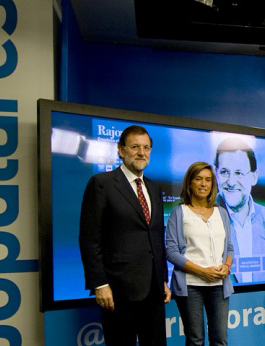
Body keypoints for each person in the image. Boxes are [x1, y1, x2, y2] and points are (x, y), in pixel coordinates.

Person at [79, 125, 171, 346]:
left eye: (146, 147)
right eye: (135, 147)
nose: (142, 152)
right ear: (121, 150)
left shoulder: (153, 187)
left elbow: (156, 236)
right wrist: (99, 284)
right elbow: (90, 238)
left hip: (154, 289)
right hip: (118, 289)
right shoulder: (102, 184)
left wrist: (163, 280)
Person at [166, 162, 235, 346]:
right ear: (190, 183)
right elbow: (171, 252)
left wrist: (227, 266)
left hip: (219, 284)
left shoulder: (221, 213)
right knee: (195, 340)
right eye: (198, 179)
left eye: (208, 180)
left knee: (220, 339)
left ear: (213, 184)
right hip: (190, 285)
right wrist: (201, 271)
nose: (203, 184)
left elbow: (229, 247)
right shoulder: (179, 213)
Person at [214, 137, 265, 282]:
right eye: (224, 172)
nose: (231, 182)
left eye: (239, 173)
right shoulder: (205, 217)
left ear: (254, 177)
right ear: (216, 174)